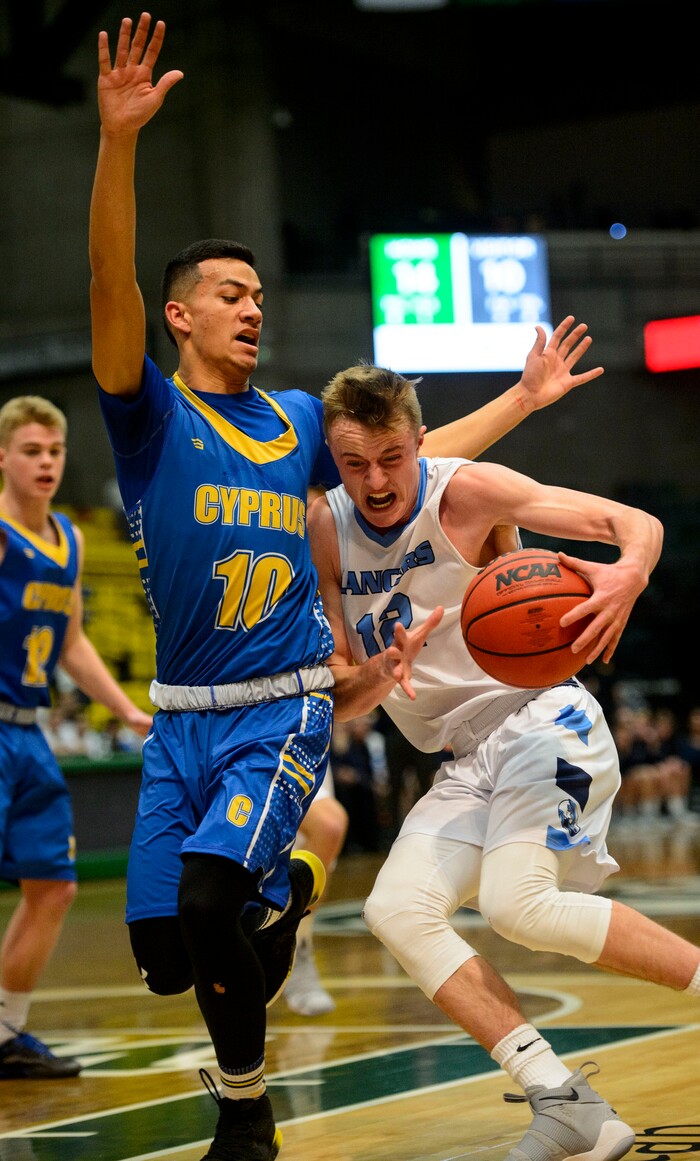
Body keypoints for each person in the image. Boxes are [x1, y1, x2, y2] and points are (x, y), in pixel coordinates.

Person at [90, 14, 607, 1158]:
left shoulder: (292, 426)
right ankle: (304, 876)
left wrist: (519, 404)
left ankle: (245, 1115)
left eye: (259, 292)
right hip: (178, 721)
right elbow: (105, 287)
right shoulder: (152, 416)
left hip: (284, 701)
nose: (254, 305)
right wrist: (118, 141)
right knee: (169, 958)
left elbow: (407, 463)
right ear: (178, 315)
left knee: (214, 908)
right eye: (230, 292)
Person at [307, 362, 700, 1161]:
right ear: (332, 458)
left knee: (519, 904)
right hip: (462, 755)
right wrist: (383, 671)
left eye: (392, 456)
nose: (376, 481)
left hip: (540, 717)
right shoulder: (325, 525)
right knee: (397, 908)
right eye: (354, 463)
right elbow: (343, 696)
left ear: (420, 440)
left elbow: (636, 525)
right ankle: (566, 1103)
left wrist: (628, 573)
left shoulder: (466, 492)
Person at [0, 394, 153, 1080]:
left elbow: (71, 642)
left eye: (55, 451)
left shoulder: (70, 536)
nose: (46, 463)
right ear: (3, 456)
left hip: (30, 733)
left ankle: (4, 1033)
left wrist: (125, 709)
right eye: (31, 450)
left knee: (53, 886)